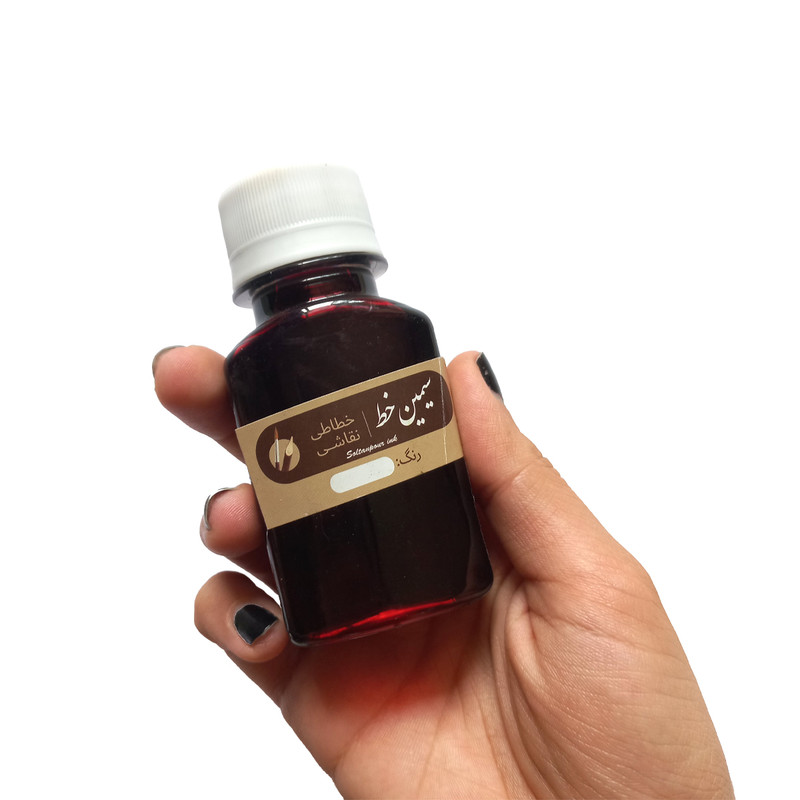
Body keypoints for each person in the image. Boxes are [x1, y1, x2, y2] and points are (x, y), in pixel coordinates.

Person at [154, 345, 734, 799]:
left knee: (237, 515)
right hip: (382, 685)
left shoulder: (388, 334)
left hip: (464, 648)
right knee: (236, 517)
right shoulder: (283, 359)